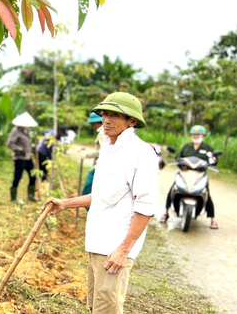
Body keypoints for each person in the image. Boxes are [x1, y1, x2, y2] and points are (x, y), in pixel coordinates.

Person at [42, 92, 159, 314]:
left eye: (114, 115)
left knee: (108, 309)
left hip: (114, 249)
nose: (106, 119)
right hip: (97, 243)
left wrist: (123, 250)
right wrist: (65, 203)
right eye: (105, 113)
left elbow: (145, 208)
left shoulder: (141, 154)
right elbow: (102, 195)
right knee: (96, 307)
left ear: (131, 121)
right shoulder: (108, 148)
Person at [160, 125, 219, 229]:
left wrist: (214, 159)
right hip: (185, 173)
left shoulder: (207, 148)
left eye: (198, 134)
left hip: (200, 174)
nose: (196, 136)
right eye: (194, 134)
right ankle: (166, 213)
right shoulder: (186, 147)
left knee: (207, 193)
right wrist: (180, 163)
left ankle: (213, 219)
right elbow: (178, 157)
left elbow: (213, 161)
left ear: (203, 135)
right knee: (173, 189)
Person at [6, 125, 35, 203]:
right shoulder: (15, 132)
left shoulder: (27, 131)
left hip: (28, 157)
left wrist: (33, 148)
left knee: (33, 175)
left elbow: (27, 144)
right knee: (18, 177)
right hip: (19, 158)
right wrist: (20, 149)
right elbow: (10, 144)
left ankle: (31, 195)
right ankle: (13, 197)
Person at [81, 111, 104, 198]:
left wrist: (87, 155)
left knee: (88, 191)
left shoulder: (104, 132)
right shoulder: (101, 132)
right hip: (99, 165)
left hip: (101, 166)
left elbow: (103, 151)